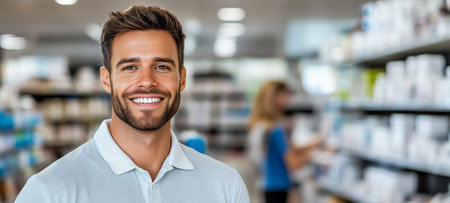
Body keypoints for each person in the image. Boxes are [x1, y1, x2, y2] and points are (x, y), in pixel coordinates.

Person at [15, 5, 249, 203]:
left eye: (162, 67)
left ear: (182, 78)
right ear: (106, 79)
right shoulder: (49, 191)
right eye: (129, 68)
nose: (146, 82)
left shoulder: (225, 186)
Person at [248, 80, 324, 203]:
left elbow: (291, 148)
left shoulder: (263, 126)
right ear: (272, 98)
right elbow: (293, 163)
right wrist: (314, 154)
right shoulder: (275, 129)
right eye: (284, 95)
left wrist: (316, 141)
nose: (288, 99)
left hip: (267, 184)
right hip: (278, 187)